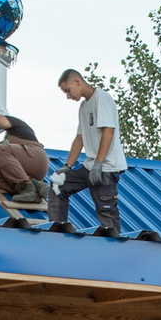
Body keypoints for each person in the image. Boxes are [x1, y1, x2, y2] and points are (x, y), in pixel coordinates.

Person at [54, 69, 126, 235]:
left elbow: (108, 131)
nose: (68, 96)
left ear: (77, 82)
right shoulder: (84, 106)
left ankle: (114, 249)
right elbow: (80, 138)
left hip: (106, 168)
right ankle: (57, 231)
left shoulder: (101, 99)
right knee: (58, 185)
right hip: (90, 166)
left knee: (106, 212)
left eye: (68, 91)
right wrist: (67, 166)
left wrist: (99, 163)